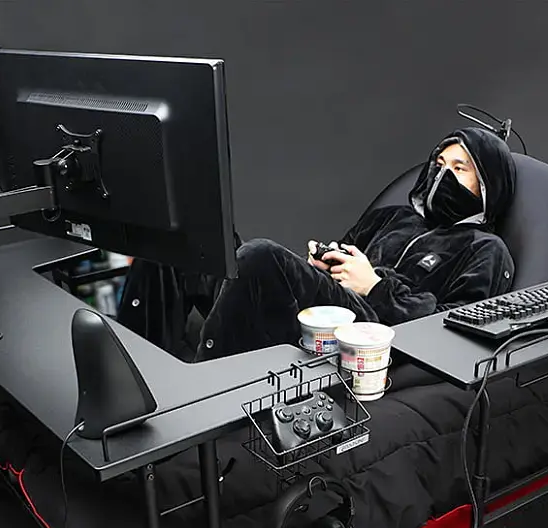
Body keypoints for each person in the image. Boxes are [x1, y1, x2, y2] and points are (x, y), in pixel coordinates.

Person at [116, 126, 517, 361]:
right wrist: (324, 262)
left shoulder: (484, 249)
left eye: (459, 169)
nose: (443, 175)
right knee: (186, 236)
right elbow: (342, 256)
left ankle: (198, 404)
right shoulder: (392, 217)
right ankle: (139, 376)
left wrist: (375, 287)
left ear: (488, 187)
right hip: (326, 312)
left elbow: (456, 331)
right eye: (439, 165)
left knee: (260, 256)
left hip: (371, 337)